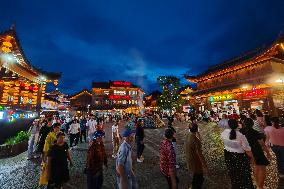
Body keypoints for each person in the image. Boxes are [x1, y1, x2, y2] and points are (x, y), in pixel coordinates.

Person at [221, 119, 254, 189]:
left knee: (233, 174)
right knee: (243, 176)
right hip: (240, 158)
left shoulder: (224, 132)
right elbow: (247, 150)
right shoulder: (241, 135)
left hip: (228, 156)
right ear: (237, 124)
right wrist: (253, 159)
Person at [240, 118, 271, 189]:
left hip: (248, 152)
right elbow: (262, 144)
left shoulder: (241, 131)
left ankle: (257, 184)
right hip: (257, 152)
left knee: (255, 167)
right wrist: (268, 153)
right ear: (252, 124)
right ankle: (261, 187)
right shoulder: (255, 132)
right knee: (262, 168)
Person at [185, 123, 207, 189]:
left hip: (190, 159)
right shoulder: (195, 140)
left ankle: (192, 186)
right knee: (199, 177)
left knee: (196, 175)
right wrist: (204, 164)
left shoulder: (188, 135)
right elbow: (199, 154)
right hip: (196, 162)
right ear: (197, 129)